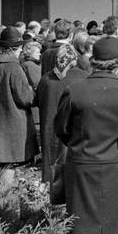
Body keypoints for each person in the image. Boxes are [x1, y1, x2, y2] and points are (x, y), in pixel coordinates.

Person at [55, 37, 118, 234]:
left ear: (93, 60)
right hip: (116, 166)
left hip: (82, 165)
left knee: (83, 230)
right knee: (113, 228)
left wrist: (80, 144)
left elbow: (61, 129)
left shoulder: (74, 90)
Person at [0, 28, 37, 186]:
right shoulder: (14, 67)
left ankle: (0, 200)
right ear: (14, 49)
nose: (21, 51)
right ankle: (6, 204)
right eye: (20, 48)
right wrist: (34, 93)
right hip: (13, 122)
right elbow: (25, 98)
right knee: (10, 163)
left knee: (2, 161)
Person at [35, 44, 87, 184]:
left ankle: (50, 196)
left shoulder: (46, 79)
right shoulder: (84, 77)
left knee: (52, 167)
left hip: (50, 128)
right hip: (74, 129)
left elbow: (37, 100)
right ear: (75, 59)